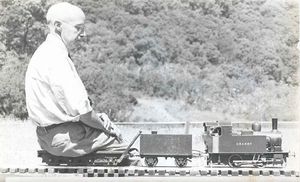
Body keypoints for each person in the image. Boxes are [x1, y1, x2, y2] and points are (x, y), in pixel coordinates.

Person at [25, 2, 130, 158]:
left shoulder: (44, 52)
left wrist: (97, 119)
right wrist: (107, 128)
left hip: (48, 136)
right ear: (58, 26)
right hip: (66, 138)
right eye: (78, 28)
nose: (83, 34)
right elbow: (84, 113)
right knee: (123, 148)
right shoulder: (57, 58)